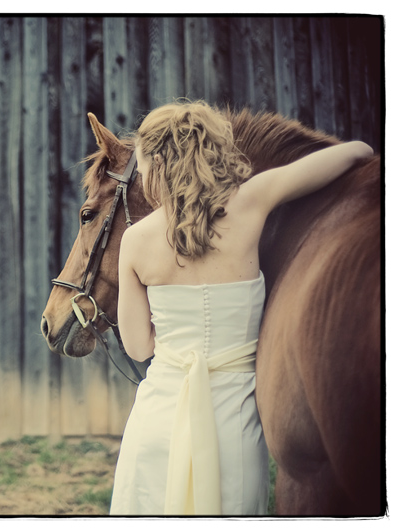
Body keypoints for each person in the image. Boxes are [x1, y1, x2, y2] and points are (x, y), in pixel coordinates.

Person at [109, 100, 373, 515]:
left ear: (158, 165)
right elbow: (356, 152)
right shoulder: (251, 203)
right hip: (233, 422)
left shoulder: (135, 241)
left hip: (159, 418)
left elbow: (139, 347)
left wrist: (181, 338)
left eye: (142, 167)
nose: (141, 179)